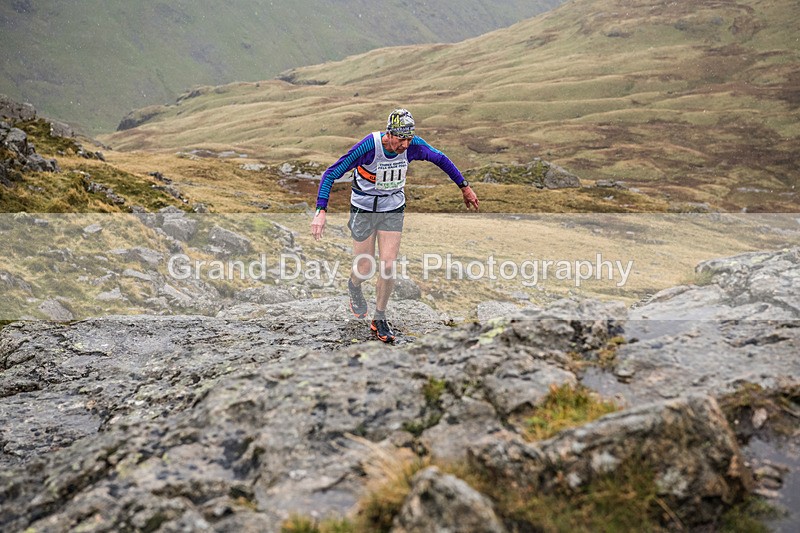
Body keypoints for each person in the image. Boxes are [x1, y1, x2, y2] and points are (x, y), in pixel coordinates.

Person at [311, 108, 479, 343]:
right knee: (365, 268)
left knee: (388, 265)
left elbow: (441, 159)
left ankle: (379, 317)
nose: (405, 145)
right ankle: (354, 285)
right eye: (401, 139)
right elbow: (331, 173)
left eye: (409, 139)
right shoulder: (369, 146)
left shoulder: (413, 145)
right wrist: (321, 211)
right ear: (389, 134)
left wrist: (464, 186)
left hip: (392, 208)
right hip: (364, 208)